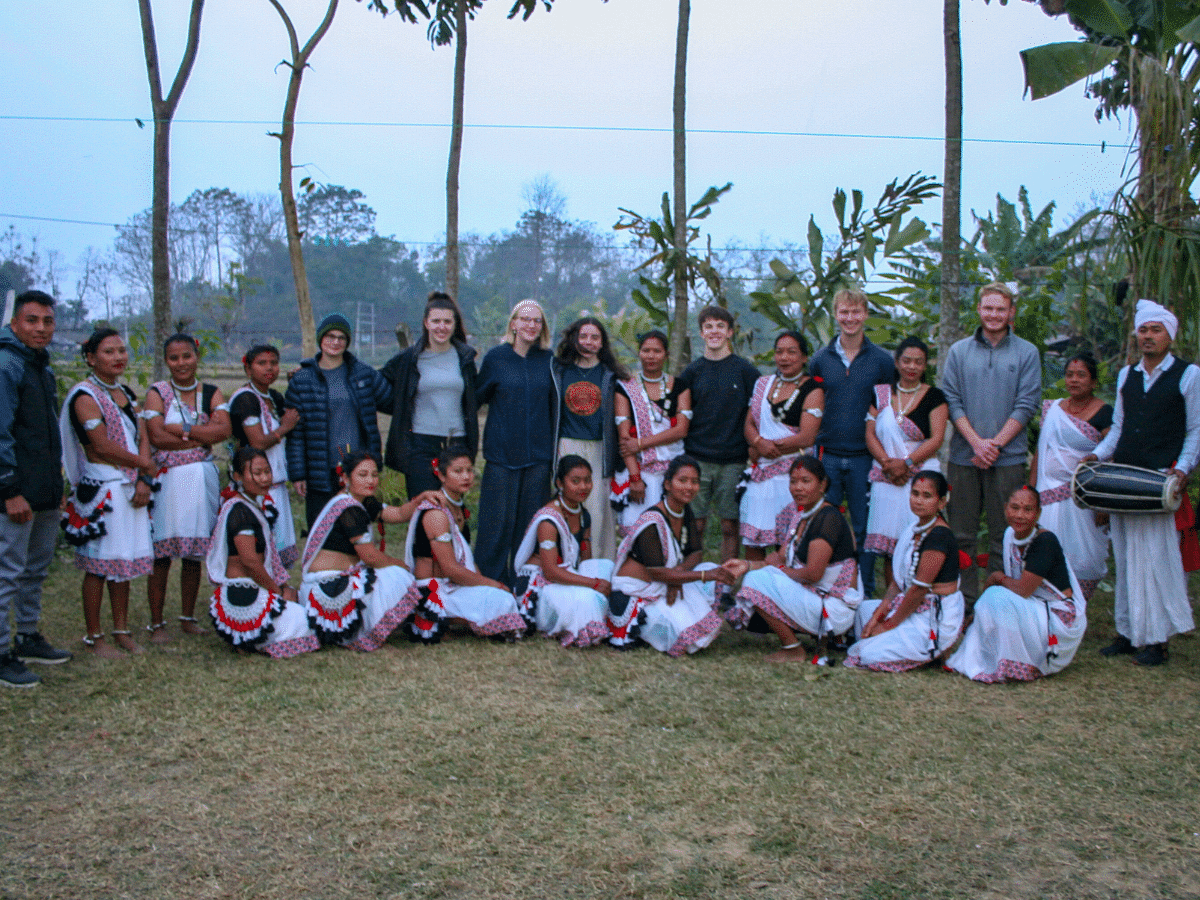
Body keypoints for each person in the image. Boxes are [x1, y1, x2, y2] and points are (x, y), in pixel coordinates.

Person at [1086, 299, 1199, 666]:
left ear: (1169, 335)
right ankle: (1128, 632)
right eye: (1144, 330)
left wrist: (1181, 469)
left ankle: (1157, 640)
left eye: (1156, 330)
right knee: (1126, 555)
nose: (1149, 336)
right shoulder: (1126, 374)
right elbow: (1118, 427)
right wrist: (1098, 456)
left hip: (1159, 480)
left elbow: (1196, 430)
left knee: (1156, 558)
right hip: (1125, 478)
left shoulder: (1189, 375)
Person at [941, 282, 1041, 608]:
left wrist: (994, 445)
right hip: (963, 456)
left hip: (1008, 458)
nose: (994, 315)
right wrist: (976, 443)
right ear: (979, 310)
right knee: (961, 534)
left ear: (1011, 312)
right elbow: (952, 402)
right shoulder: (958, 352)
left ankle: (997, 602)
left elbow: (1026, 405)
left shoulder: (1027, 352)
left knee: (1005, 533)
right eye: (988, 308)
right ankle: (966, 603)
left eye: (1001, 309)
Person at [60, 328, 156, 659]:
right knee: (99, 565)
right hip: (104, 487)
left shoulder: (126, 393)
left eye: (121, 351)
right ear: (90, 357)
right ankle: (94, 636)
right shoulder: (85, 396)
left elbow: (143, 433)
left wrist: (144, 472)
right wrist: (143, 464)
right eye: (108, 352)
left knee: (123, 562)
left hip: (129, 483)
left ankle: (122, 630)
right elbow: (101, 445)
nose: (118, 357)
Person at [725, 455, 863, 663]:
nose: (798, 488)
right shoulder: (800, 516)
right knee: (756, 577)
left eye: (806, 481)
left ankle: (793, 649)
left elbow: (813, 574)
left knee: (757, 581)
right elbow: (777, 558)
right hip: (817, 599)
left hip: (833, 609)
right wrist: (746, 565)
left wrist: (776, 572)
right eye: (793, 481)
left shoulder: (828, 519)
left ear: (822, 484)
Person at [301, 450, 443, 651]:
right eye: (363, 475)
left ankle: (363, 629)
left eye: (375, 475)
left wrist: (421, 498)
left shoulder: (361, 501)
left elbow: (399, 513)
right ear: (345, 477)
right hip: (327, 586)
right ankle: (362, 635)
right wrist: (401, 565)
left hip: (336, 581)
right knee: (398, 576)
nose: (371, 480)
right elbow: (369, 556)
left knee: (394, 575)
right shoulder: (349, 508)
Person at [0, 290, 71, 687]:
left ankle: (27, 635)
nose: (41, 328)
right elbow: (1, 432)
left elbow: (47, 433)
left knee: (34, 568)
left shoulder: (39, 366)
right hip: (14, 491)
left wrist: (55, 484)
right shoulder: (7, 363)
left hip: (43, 489)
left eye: (47, 321)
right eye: (32, 320)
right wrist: (9, 488)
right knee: (7, 571)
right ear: (15, 323)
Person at [946, 486, 1087, 682]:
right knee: (994, 599)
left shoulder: (1044, 541)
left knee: (997, 597)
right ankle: (998, 658)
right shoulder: (1009, 535)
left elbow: (1022, 590)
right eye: (1015, 508)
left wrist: (997, 577)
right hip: (1034, 608)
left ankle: (1016, 666)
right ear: (1005, 509)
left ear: (1038, 513)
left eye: (1028, 509)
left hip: (1059, 619)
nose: (1020, 515)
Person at [808, 288, 896, 594]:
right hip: (827, 454)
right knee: (823, 526)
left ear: (866, 314)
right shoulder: (820, 360)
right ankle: (825, 587)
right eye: (844, 312)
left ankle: (865, 592)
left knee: (865, 527)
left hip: (865, 457)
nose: (850, 318)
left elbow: (889, 408)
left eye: (856, 312)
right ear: (835, 314)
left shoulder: (883, 362)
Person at [143, 333, 230, 643]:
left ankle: (188, 616)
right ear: (167, 361)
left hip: (202, 480)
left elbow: (224, 429)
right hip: (168, 480)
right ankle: (156, 623)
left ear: (197, 356)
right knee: (162, 554)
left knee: (194, 554)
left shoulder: (211, 392)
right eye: (174, 358)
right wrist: (201, 438)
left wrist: (184, 431)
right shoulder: (158, 393)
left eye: (186, 356)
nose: (181, 363)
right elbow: (155, 436)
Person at [607, 455, 734, 655]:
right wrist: (700, 576)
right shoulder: (651, 521)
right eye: (682, 480)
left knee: (707, 574)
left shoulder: (684, 510)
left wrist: (679, 573)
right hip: (637, 593)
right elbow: (657, 573)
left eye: (694, 482)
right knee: (685, 637)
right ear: (667, 484)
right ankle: (640, 627)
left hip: (665, 582)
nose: (689, 487)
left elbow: (696, 553)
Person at [404, 445, 526, 642]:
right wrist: (493, 584)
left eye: (469, 470)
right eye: (458, 471)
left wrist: (487, 587)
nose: (466, 477)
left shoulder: (457, 507)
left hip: (455, 586)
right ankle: (442, 619)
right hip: (435, 590)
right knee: (502, 600)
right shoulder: (436, 513)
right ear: (442, 476)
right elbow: (450, 569)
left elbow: (466, 559)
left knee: (502, 600)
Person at [474, 299, 557, 586]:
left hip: (537, 457)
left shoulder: (548, 361)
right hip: (501, 455)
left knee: (529, 528)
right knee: (496, 527)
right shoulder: (496, 358)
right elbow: (475, 397)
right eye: (525, 319)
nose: (531, 325)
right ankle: (491, 586)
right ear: (513, 323)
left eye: (537, 321)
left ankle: (526, 588)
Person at [845, 472, 964, 672]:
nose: (918, 500)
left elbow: (918, 590)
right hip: (912, 606)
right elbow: (898, 584)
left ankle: (935, 649)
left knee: (866, 655)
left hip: (932, 616)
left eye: (927, 496)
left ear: (942, 502)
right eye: (915, 494)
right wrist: (878, 615)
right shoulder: (914, 529)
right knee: (863, 613)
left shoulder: (939, 537)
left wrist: (888, 625)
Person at [208, 447, 318, 658]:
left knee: (299, 602)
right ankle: (250, 639)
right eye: (257, 473)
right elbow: (250, 562)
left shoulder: (248, 506)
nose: (264, 478)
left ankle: (249, 638)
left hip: (247, 592)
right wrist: (276, 592)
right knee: (308, 624)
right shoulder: (241, 512)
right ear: (238, 476)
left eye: (267, 472)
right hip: (242, 595)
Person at [285, 313, 393, 527]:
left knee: (357, 531)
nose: (335, 342)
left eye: (341, 337)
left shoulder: (363, 374)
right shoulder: (302, 380)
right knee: (322, 532)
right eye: (330, 336)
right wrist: (298, 474)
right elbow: (295, 434)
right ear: (320, 339)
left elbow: (392, 400)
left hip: (357, 468)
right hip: (319, 469)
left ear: (348, 342)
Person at [675, 306, 760, 561]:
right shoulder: (691, 372)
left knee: (729, 526)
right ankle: (691, 580)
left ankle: (726, 587)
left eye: (720, 326)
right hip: (697, 458)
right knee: (696, 525)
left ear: (730, 332)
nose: (714, 331)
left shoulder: (746, 371)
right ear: (701, 332)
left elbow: (758, 412)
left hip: (732, 460)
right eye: (709, 326)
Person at [863, 336, 948, 588]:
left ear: (925, 366)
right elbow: (870, 433)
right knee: (892, 546)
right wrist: (888, 464)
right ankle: (892, 601)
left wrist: (907, 463)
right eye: (907, 361)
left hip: (920, 477)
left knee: (919, 541)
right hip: (886, 476)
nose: (912, 366)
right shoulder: (881, 394)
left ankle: (919, 598)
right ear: (897, 363)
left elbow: (937, 438)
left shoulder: (935, 397)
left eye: (918, 362)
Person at [1029, 352, 1111, 601]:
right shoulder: (1053, 409)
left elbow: (1111, 457)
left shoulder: (1105, 412)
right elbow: (1041, 452)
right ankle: (1048, 606)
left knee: (1085, 556)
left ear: (1094, 382)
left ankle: (1076, 607)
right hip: (1046, 494)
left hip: (1083, 499)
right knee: (1045, 550)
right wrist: (1031, 491)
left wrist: (1104, 502)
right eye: (1070, 374)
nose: (1074, 380)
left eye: (1082, 375)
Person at [382, 291, 480, 499]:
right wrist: (399, 408)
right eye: (436, 321)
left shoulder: (465, 359)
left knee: (453, 511)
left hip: (457, 443)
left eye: (447, 321)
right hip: (420, 446)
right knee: (425, 510)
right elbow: (378, 385)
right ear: (426, 323)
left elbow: (474, 398)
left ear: (454, 324)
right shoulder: (409, 359)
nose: (441, 327)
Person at [512, 455, 613, 647]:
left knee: (606, 566)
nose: (583, 487)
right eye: (575, 481)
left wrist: (593, 580)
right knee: (588, 597)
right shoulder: (549, 521)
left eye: (587, 480)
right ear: (559, 483)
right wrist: (593, 583)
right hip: (540, 585)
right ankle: (582, 628)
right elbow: (550, 571)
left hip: (565, 577)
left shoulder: (583, 516)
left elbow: (586, 562)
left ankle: (593, 619)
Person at [739, 331, 824, 559]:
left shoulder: (813, 390)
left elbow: (807, 437)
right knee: (754, 542)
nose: (784, 357)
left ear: (804, 358)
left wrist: (768, 447)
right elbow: (748, 423)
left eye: (791, 352)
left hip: (791, 477)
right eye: (779, 352)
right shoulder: (763, 384)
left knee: (786, 544)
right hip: (760, 476)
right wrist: (758, 442)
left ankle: (781, 591)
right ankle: (752, 590)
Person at [551, 316, 628, 561]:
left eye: (595, 337)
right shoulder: (559, 371)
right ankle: (563, 564)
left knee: (596, 510)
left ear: (602, 343)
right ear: (574, 339)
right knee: (564, 506)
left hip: (599, 449)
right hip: (566, 445)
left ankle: (598, 566)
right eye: (583, 336)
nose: (588, 342)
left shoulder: (611, 376)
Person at [228, 344, 302, 568]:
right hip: (255, 487)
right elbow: (258, 441)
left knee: (276, 554)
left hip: (276, 486)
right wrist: (284, 428)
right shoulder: (246, 399)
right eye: (262, 363)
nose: (269, 368)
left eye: (274, 363)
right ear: (248, 368)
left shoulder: (275, 397)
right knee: (258, 553)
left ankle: (275, 596)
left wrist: (296, 384)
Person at [612, 330, 690, 538]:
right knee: (638, 535)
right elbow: (625, 439)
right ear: (639, 353)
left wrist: (642, 443)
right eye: (646, 350)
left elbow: (681, 429)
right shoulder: (626, 388)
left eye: (657, 351)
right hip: (640, 474)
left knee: (670, 533)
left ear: (666, 354)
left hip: (672, 475)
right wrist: (635, 478)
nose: (651, 356)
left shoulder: (681, 387)